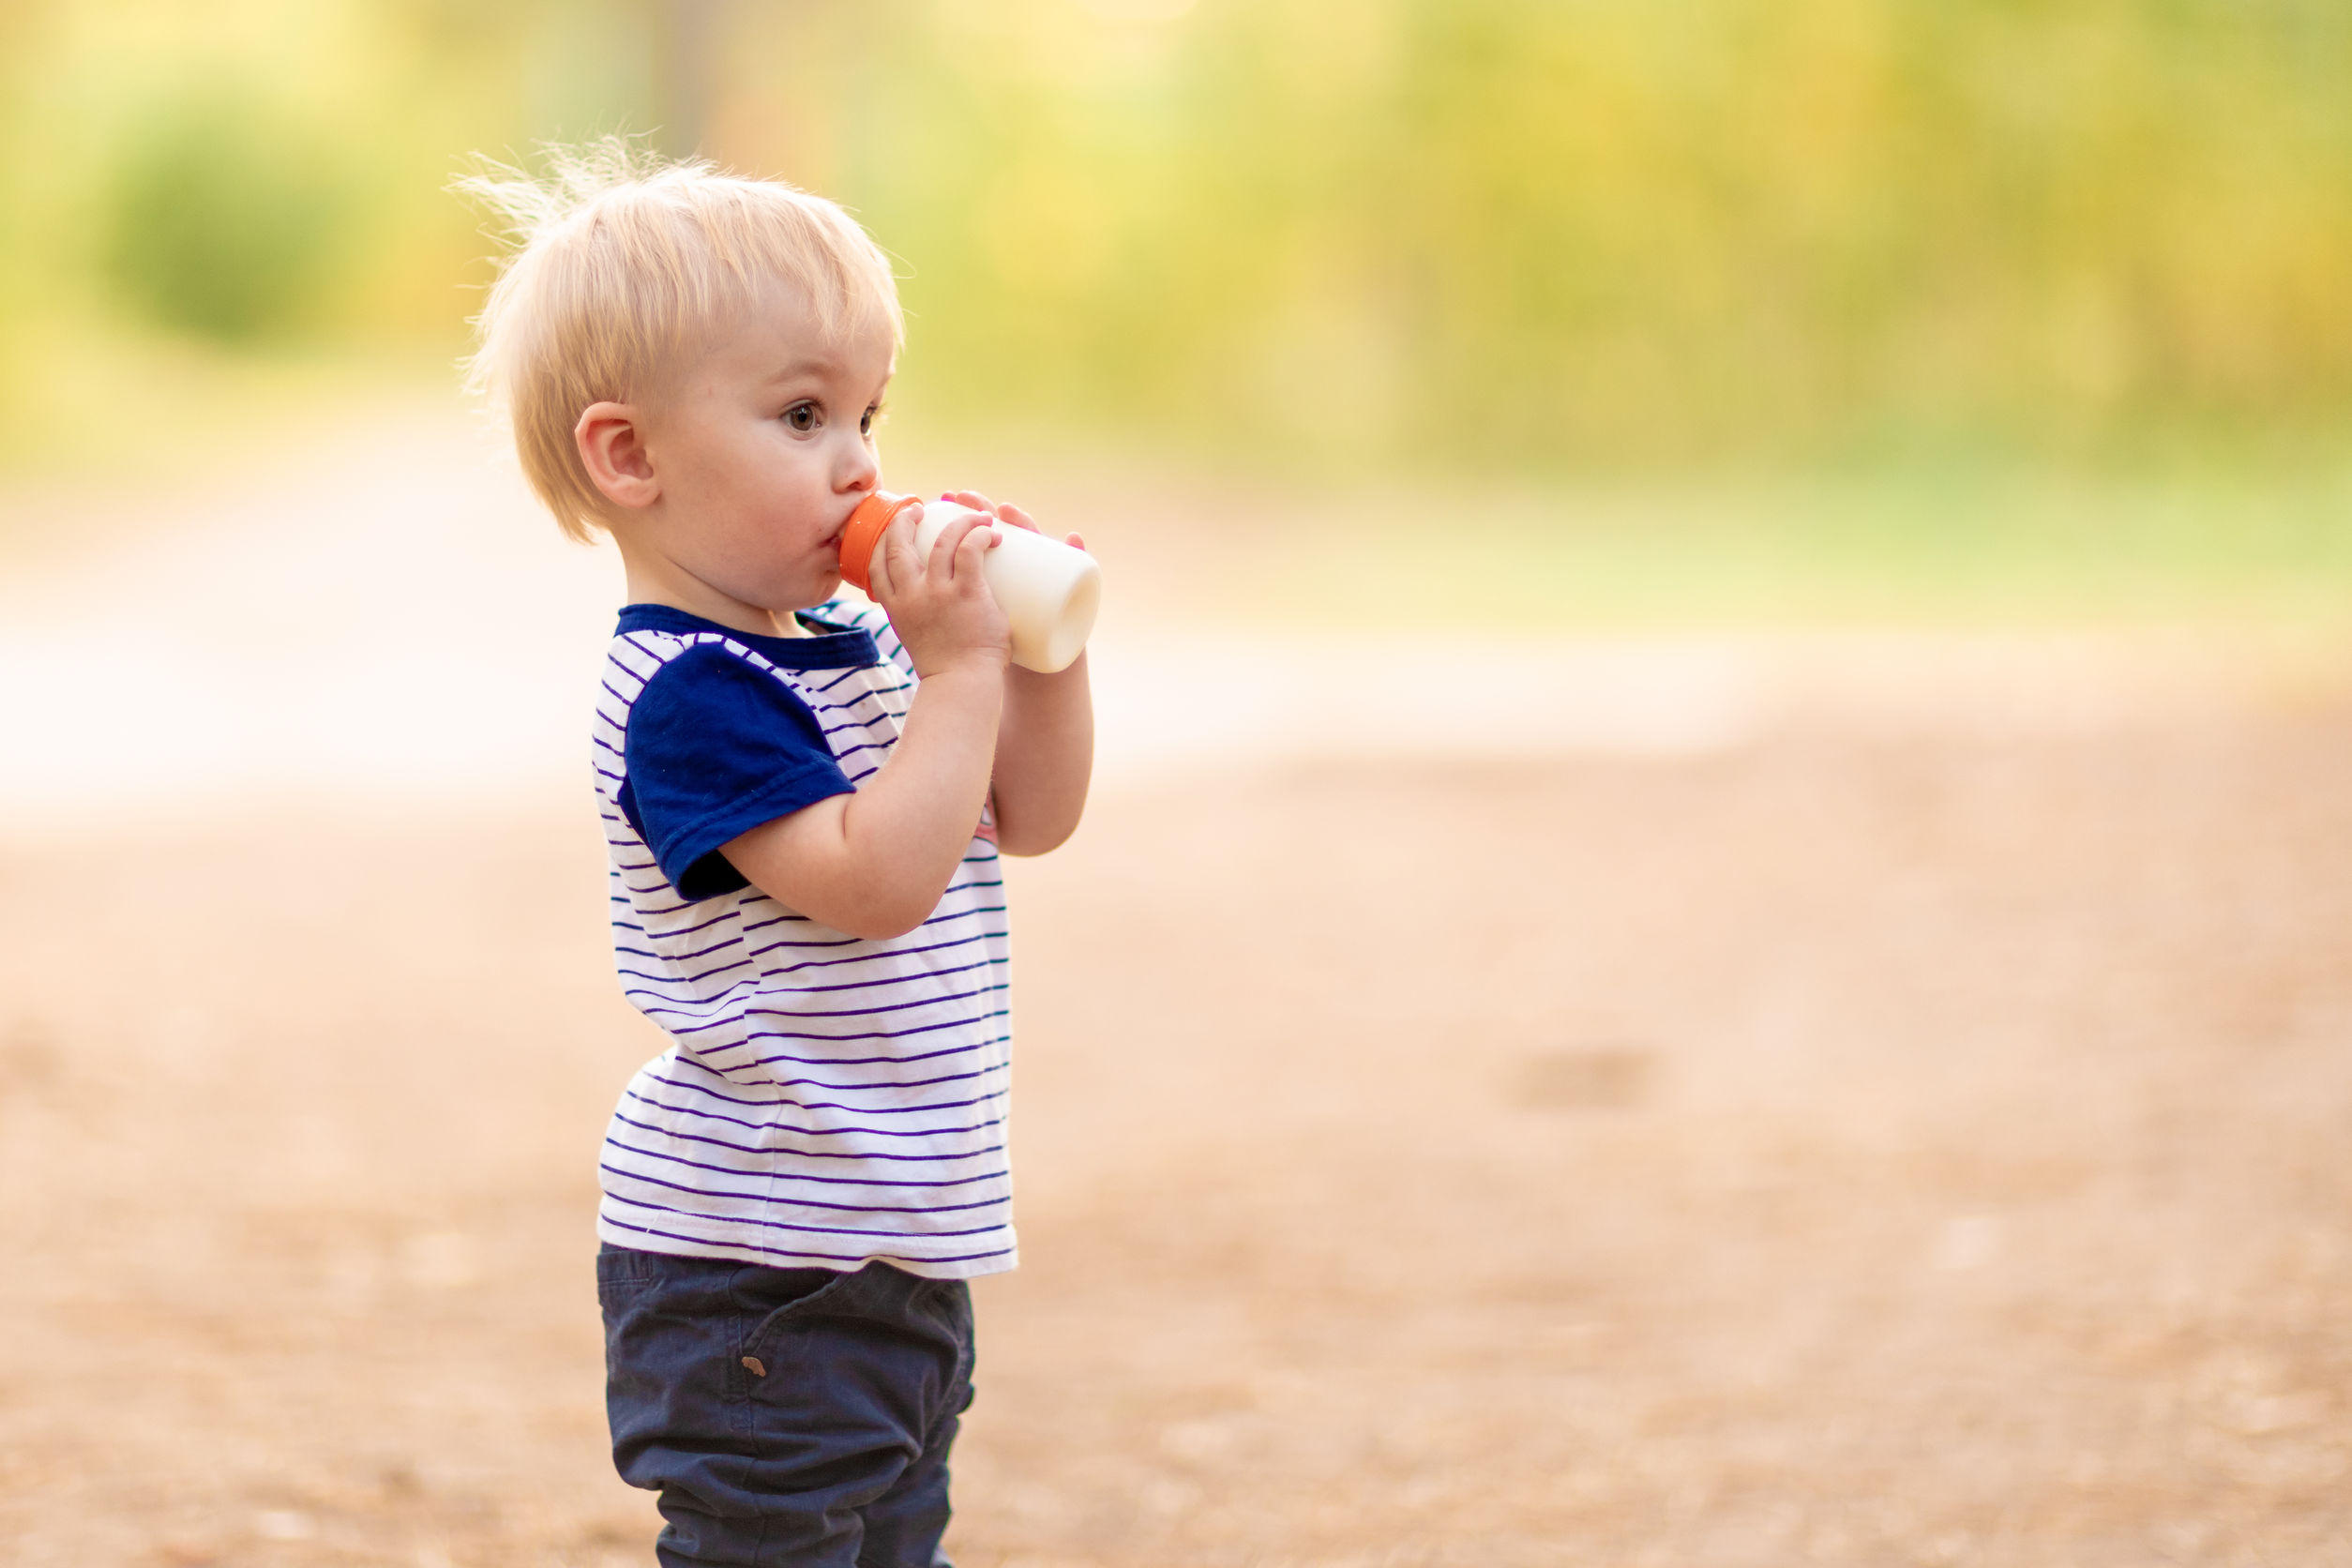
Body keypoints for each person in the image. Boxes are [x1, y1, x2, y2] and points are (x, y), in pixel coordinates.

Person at [458, 139, 1093, 1567]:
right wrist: (961, 675)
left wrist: (1036, 662)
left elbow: (1031, 820)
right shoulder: (693, 697)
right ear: (631, 457)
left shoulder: (858, 651)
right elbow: (876, 883)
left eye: (871, 411)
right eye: (803, 414)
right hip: (757, 1268)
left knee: (885, 1544)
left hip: (889, 1246)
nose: (862, 462)